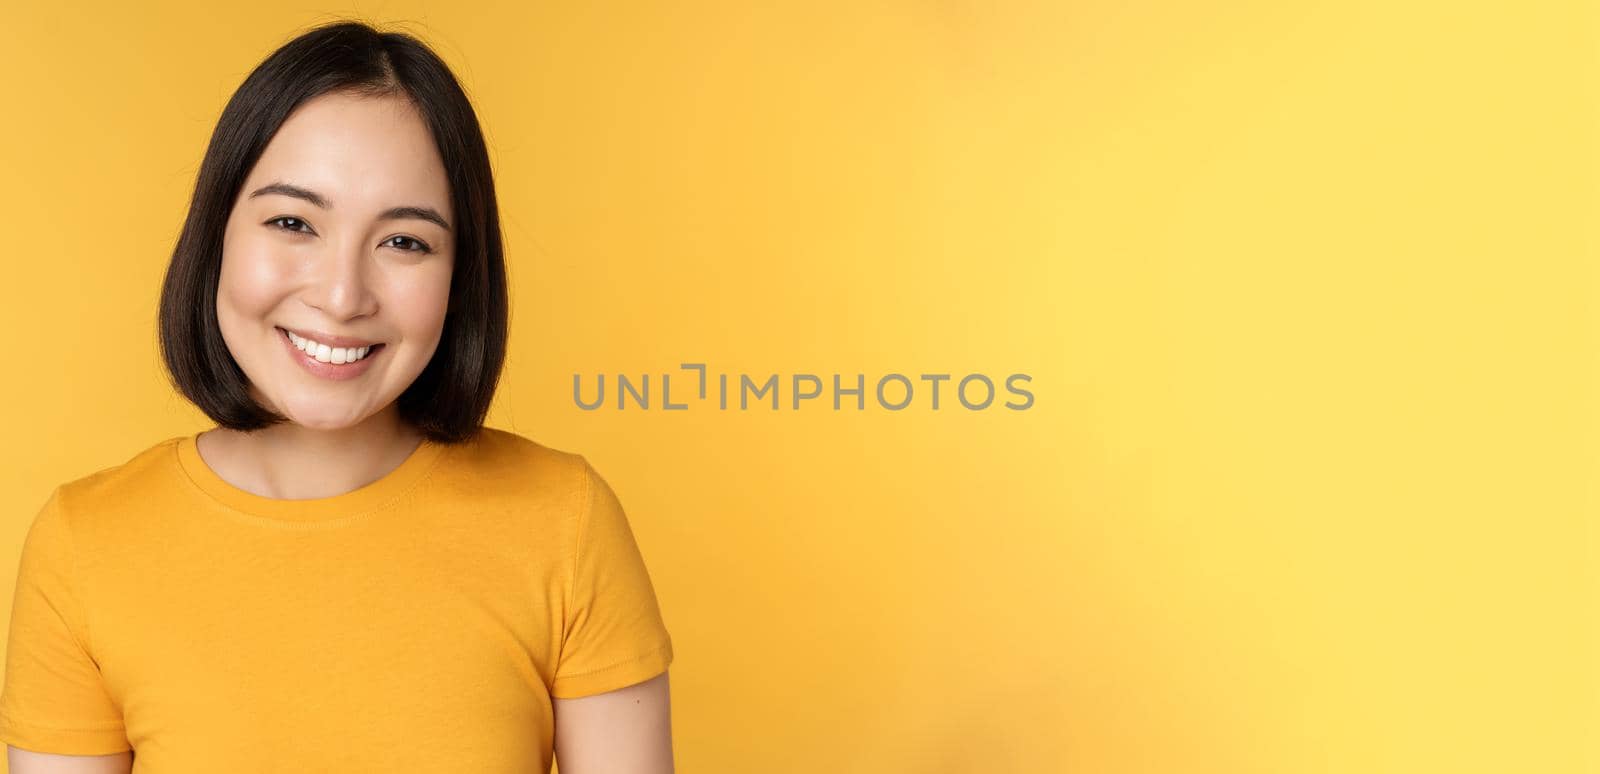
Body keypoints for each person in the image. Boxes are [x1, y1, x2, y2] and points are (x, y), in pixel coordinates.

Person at [0, 20, 674, 774]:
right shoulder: (85, 546)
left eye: (405, 241)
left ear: (460, 280)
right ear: (216, 233)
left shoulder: (565, 524)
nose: (344, 295)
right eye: (293, 222)